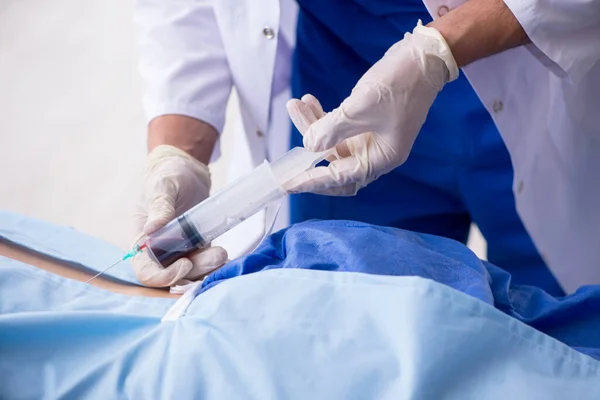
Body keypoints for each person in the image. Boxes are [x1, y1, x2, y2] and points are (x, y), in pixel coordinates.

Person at [131, 0, 600, 293]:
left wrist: (436, 52)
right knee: (351, 325)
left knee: (569, 337)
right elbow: (181, 9)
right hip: (339, 97)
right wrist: (178, 155)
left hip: (532, 71)